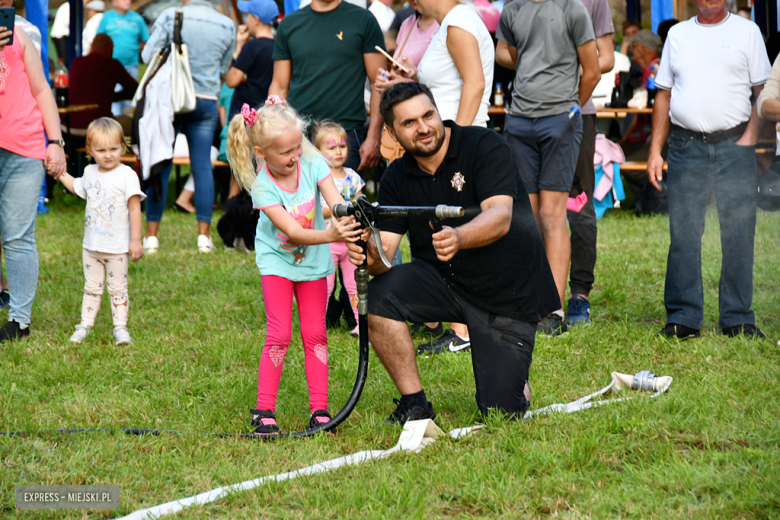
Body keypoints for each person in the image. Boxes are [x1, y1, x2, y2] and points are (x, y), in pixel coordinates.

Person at [347, 83, 559, 423]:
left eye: (428, 115)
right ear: (392, 132)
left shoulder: (483, 144)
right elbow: (383, 257)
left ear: (437, 110)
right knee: (376, 295)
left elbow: (501, 217)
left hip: (507, 291)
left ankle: (512, 378)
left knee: (500, 413)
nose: (424, 127)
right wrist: (366, 249)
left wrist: (459, 237)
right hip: (444, 283)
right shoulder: (397, 175)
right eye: (409, 123)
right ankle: (414, 403)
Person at [226, 98, 361, 434]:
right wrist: (330, 233)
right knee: (279, 335)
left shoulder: (313, 165)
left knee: (315, 334)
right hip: (277, 262)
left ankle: (320, 410)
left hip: (313, 264)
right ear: (261, 152)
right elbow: (293, 231)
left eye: (297, 147)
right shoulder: (263, 187)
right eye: (286, 152)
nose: (295, 156)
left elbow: (337, 204)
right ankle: (263, 410)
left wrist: (351, 221)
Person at [646, 0, 770, 340]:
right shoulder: (677, 34)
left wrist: (749, 139)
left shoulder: (748, 32)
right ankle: (683, 318)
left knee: (738, 233)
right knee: (684, 233)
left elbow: (763, 93)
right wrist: (655, 150)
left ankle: (737, 318)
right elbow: (664, 96)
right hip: (686, 147)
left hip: (735, 145)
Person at [377, 0, 496, 354]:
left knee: (453, 231)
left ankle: (463, 330)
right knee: (443, 229)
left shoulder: (458, 20)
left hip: (455, 147)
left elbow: (473, 85)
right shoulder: (449, 22)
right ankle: (457, 322)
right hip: (441, 148)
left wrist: (454, 147)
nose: (411, 1)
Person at [496, 0, 601, 336]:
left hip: (559, 120)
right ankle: (534, 300)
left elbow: (593, 70)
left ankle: (553, 311)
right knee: (528, 215)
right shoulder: (512, 10)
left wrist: (570, 107)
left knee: (554, 215)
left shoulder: (573, 9)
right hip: (520, 121)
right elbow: (511, 55)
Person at [141, 0, 235, 254]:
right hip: (206, 102)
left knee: (161, 160)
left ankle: (151, 239)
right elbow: (224, 70)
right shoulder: (227, 24)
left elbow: (148, 56)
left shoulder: (171, 15)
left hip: (170, 99)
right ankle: (203, 239)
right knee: (202, 166)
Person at [48, 119, 145, 345]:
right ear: (90, 150)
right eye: (101, 150)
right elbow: (75, 186)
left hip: (118, 248)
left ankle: (120, 327)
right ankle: (85, 325)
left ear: (122, 146)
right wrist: (58, 173)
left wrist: (136, 240)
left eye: (113, 149)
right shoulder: (90, 172)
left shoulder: (127, 175)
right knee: (91, 287)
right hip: (91, 247)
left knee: (118, 289)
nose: (108, 155)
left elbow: (134, 208)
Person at [0, 26, 67, 342]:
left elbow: (41, 89)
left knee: (18, 236)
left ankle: (19, 322)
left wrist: (55, 141)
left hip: (24, 149)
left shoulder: (21, 35)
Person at [269, 0, 386, 173]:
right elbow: (279, 87)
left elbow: (380, 82)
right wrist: (272, 136)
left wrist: (374, 136)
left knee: (344, 199)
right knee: (300, 200)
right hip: (298, 137)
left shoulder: (363, 19)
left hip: (345, 137)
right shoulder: (289, 24)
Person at [566, 0, 615, 327]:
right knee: (535, 205)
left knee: (578, 202)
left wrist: (567, 71)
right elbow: (504, 51)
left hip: (578, 114)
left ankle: (579, 295)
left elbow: (607, 58)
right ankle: (544, 293)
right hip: (530, 114)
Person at [313, 120, 365, 336]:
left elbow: (361, 202)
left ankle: (361, 323)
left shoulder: (352, 176)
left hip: (350, 240)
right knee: (325, 285)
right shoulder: (317, 178)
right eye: (331, 147)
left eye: (342, 146)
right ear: (318, 151)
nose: (338, 152)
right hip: (328, 240)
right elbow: (315, 209)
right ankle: (316, 325)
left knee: (355, 284)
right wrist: (341, 209)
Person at [615, 29, 662, 192]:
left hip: (656, 141)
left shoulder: (655, 70)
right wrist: (624, 140)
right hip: (645, 137)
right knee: (617, 154)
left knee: (626, 164)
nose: (630, 50)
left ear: (644, 49)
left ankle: (648, 197)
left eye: (633, 46)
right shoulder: (648, 70)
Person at [68, 34, 138, 131]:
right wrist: (113, 97)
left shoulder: (76, 62)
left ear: (92, 47)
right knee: (133, 125)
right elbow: (135, 89)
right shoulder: (111, 64)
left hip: (69, 126)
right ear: (108, 48)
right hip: (99, 127)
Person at [226, 0, 277, 120]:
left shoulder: (252, 47)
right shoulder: (278, 46)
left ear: (256, 19)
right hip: (265, 115)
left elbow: (232, 80)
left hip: (246, 115)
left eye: (248, 15)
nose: (246, 20)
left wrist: (240, 45)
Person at [97, 0, 150, 115]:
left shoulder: (137, 18)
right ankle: (114, 127)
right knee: (113, 101)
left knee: (128, 100)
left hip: (131, 65)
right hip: (111, 67)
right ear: (114, 2)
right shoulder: (106, 17)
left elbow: (146, 41)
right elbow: (99, 39)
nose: (127, 1)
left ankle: (125, 125)